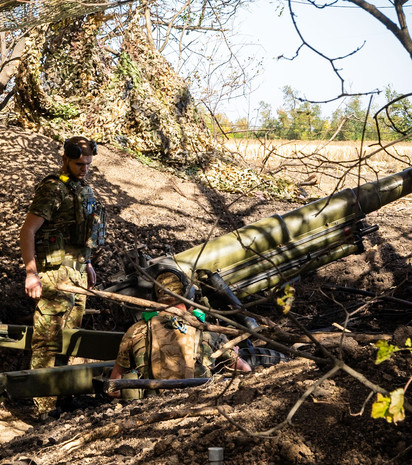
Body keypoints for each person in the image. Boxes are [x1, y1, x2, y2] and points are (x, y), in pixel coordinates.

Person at [19, 136, 107, 417]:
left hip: (77, 272)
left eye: (88, 164)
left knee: (72, 339)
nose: (84, 169)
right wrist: (31, 274)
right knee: (47, 341)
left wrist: (88, 264)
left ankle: (67, 396)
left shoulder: (83, 189)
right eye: (79, 164)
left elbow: (81, 236)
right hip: (54, 275)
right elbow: (27, 231)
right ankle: (43, 406)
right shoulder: (53, 189)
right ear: (65, 160)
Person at [108, 271, 254, 399]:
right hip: (199, 402)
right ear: (189, 295)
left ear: (155, 297)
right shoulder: (207, 331)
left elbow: (113, 389)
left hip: (152, 409)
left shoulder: (136, 331)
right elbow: (246, 371)